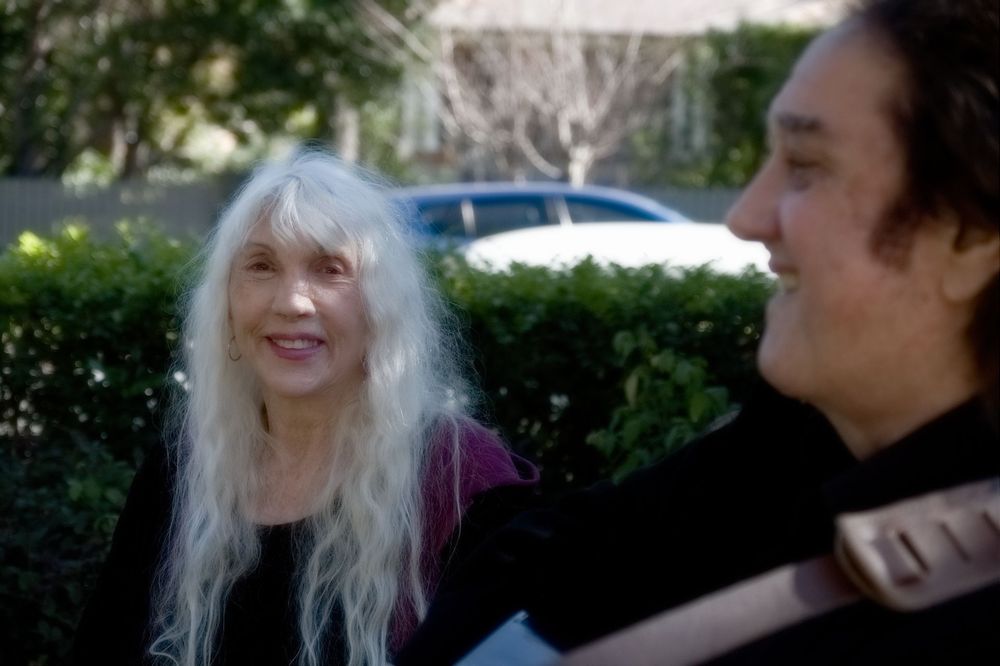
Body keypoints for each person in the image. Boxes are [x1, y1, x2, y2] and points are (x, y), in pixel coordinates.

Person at [396, 0, 999, 663]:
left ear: (972, 235)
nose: (745, 215)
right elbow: (557, 551)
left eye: (806, 164)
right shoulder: (798, 443)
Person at [71, 150, 538, 666]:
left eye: (329, 268)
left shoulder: (463, 485)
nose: (292, 301)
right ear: (226, 307)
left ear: (382, 308)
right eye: (261, 265)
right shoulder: (182, 470)